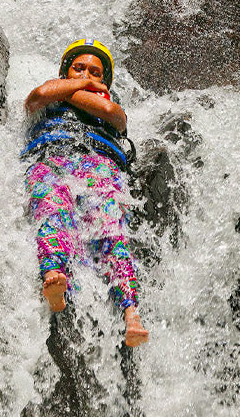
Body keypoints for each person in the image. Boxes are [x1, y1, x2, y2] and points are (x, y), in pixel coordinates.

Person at [22, 38, 148, 347]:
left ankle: (131, 313)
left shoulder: (108, 100)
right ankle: (53, 279)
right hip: (50, 157)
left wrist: (68, 89)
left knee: (110, 225)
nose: (86, 74)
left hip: (98, 162)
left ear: (106, 80)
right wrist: (86, 86)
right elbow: (37, 96)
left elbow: (110, 111)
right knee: (52, 209)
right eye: (78, 69)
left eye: (94, 72)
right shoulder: (50, 93)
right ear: (65, 71)